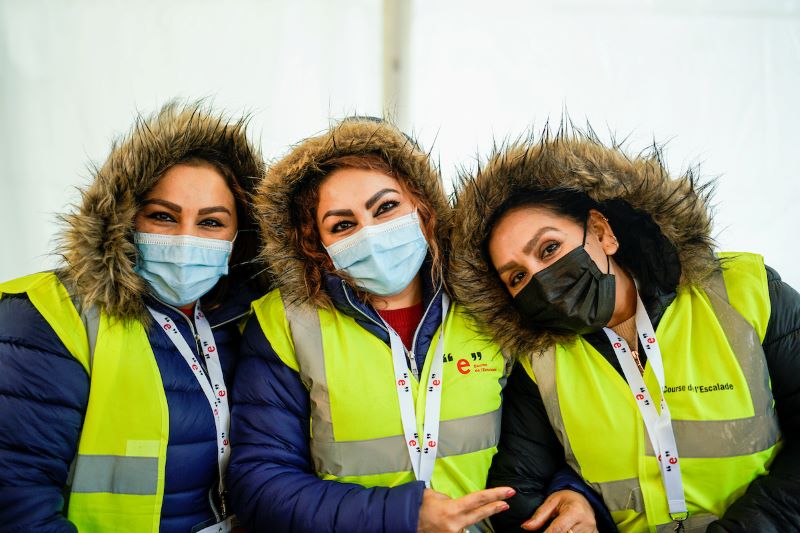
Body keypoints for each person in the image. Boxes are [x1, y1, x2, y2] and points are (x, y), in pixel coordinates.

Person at [226, 118, 608, 532]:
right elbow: (260, 484)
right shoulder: (284, 323)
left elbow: (550, 439)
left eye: (386, 207)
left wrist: (575, 492)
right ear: (317, 246)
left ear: (424, 207)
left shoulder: (491, 304)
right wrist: (400, 515)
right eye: (343, 225)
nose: (370, 234)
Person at [448, 129, 800, 532]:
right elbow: (517, 490)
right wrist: (576, 504)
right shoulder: (539, 362)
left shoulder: (745, 290)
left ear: (602, 232)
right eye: (517, 277)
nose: (542, 280)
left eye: (549, 249)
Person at [0, 101, 267, 532]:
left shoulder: (243, 323)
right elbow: (16, 502)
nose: (186, 240)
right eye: (163, 216)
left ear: (242, 236)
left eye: (211, 223)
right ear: (124, 219)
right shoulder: (48, 315)